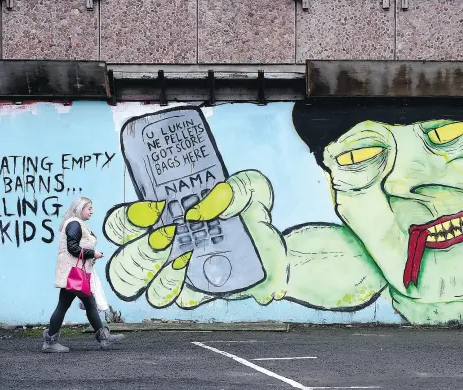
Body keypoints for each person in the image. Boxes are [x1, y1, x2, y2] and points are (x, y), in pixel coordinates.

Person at [102, 101, 462, 325]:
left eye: (448, 134)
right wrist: (267, 266)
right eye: (359, 158)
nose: (407, 183)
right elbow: (305, 264)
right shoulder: (350, 267)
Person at [42, 197, 124, 353]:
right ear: (80, 209)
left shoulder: (76, 224)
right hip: (73, 274)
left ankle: (102, 337)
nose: (91, 211)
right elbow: (73, 248)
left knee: (84, 303)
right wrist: (93, 253)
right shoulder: (74, 224)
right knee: (79, 303)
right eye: (89, 208)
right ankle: (50, 342)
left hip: (74, 273)